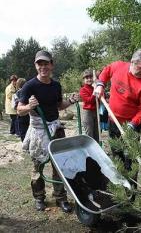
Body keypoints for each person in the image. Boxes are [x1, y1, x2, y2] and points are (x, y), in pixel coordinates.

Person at [17, 50, 79, 212]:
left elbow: (59, 106)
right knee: (38, 166)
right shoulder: (29, 86)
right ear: (35, 66)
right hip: (38, 130)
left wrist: (71, 101)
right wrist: (29, 106)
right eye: (40, 64)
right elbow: (19, 110)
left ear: (51, 65)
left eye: (46, 63)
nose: (43, 67)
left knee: (60, 165)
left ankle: (61, 198)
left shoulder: (56, 85)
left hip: (56, 128)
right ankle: (39, 197)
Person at [95, 48, 141, 171]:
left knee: (131, 159)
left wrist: (132, 124)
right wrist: (100, 85)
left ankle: (132, 189)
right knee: (117, 156)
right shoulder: (118, 66)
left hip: (132, 125)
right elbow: (106, 72)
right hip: (113, 120)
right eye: (140, 67)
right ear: (132, 62)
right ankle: (120, 187)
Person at [79, 69, 99, 143]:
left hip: (96, 111)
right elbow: (90, 101)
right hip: (88, 113)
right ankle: (89, 150)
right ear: (84, 80)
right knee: (90, 134)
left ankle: (97, 150)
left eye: (90, 77)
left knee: (97, 133)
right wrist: (94, 91)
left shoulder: (96, 87)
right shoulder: (83, 90)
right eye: (87, 78)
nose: (89, 79)